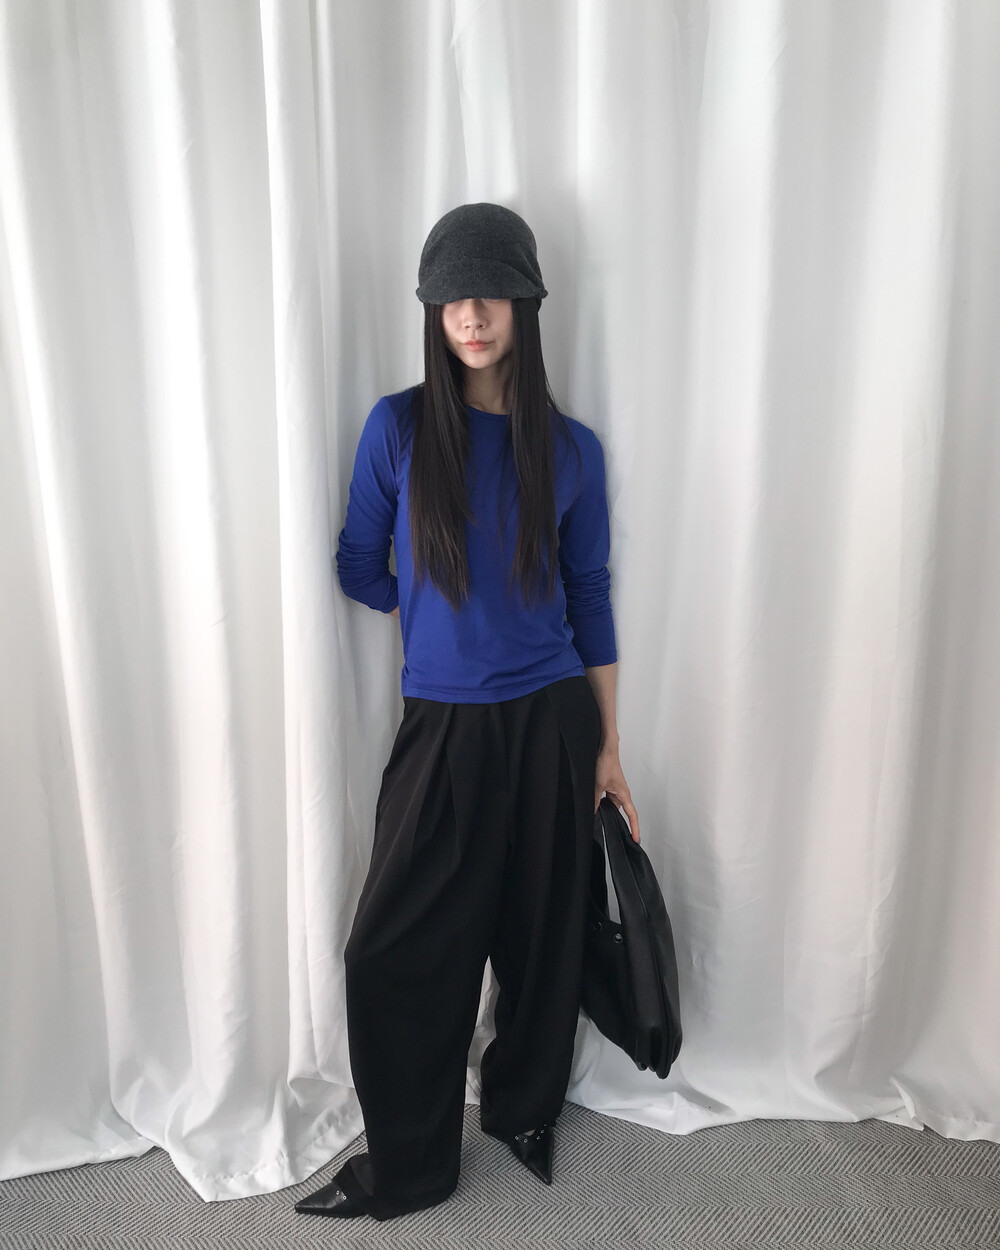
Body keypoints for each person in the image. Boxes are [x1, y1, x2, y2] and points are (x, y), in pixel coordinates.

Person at [294, 202, 639, 1223]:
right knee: (392, 947)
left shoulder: (569, 451)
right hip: (442, 724)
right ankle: (411, 1164)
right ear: (432, 311)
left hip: (552, 717)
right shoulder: (397, 429)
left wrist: (609, 744)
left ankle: (523, 1110)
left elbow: (590, 596)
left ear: (525, 303)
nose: (472, 314)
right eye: (451, 298)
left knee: (541, 934)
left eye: (490, 294)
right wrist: (444, 616)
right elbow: (358, 564)